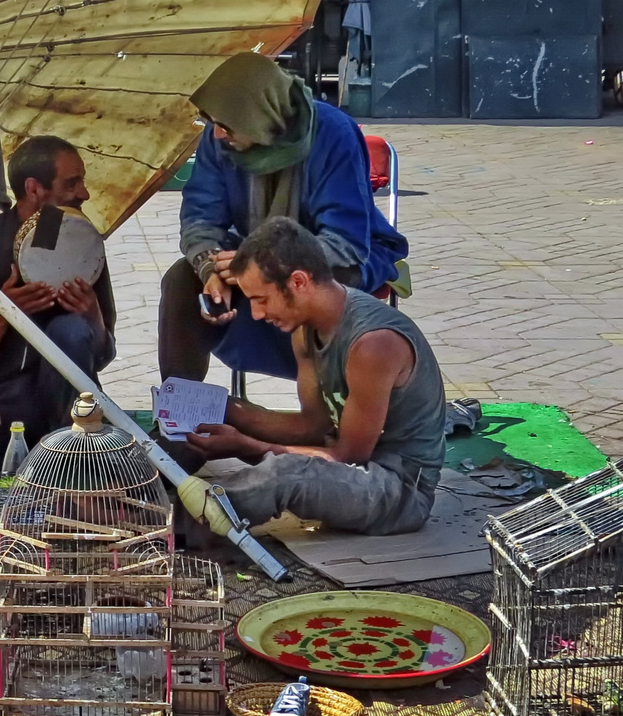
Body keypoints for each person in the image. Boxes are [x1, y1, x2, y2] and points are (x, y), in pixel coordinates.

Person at [173, 217, 447, 537]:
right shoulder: (304, 330)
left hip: (398, 490)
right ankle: (174, 506)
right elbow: (311, 427)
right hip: (350, 464)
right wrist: (229, 412)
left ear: (299, 282)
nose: (258, 314)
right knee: (235, 418)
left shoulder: (372, 344)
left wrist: (246, 446)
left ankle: (178, 526)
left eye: (261, 299)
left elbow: (347, 456)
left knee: (287, 473)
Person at [160, 53, 407, 384]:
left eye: (225, 124)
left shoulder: (332, 132)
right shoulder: (218, 139)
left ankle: (333, 405)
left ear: (258, 116)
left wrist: (265, 263)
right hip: (254, 252)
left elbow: (345, 241)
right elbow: (199, 217)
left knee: (324, 282)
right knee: (180, 279)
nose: (217, 134)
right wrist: (210, 269)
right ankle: (179, 415)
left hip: (338, 255)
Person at [0, 136, 116, 469]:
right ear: (34, 188)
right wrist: (4, 314)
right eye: (72, 183)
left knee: (69, 329)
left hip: (69, 409)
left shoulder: (81, 245)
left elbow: (104, 355)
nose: (85, 193)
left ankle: (72, 459)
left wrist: (93, 317)